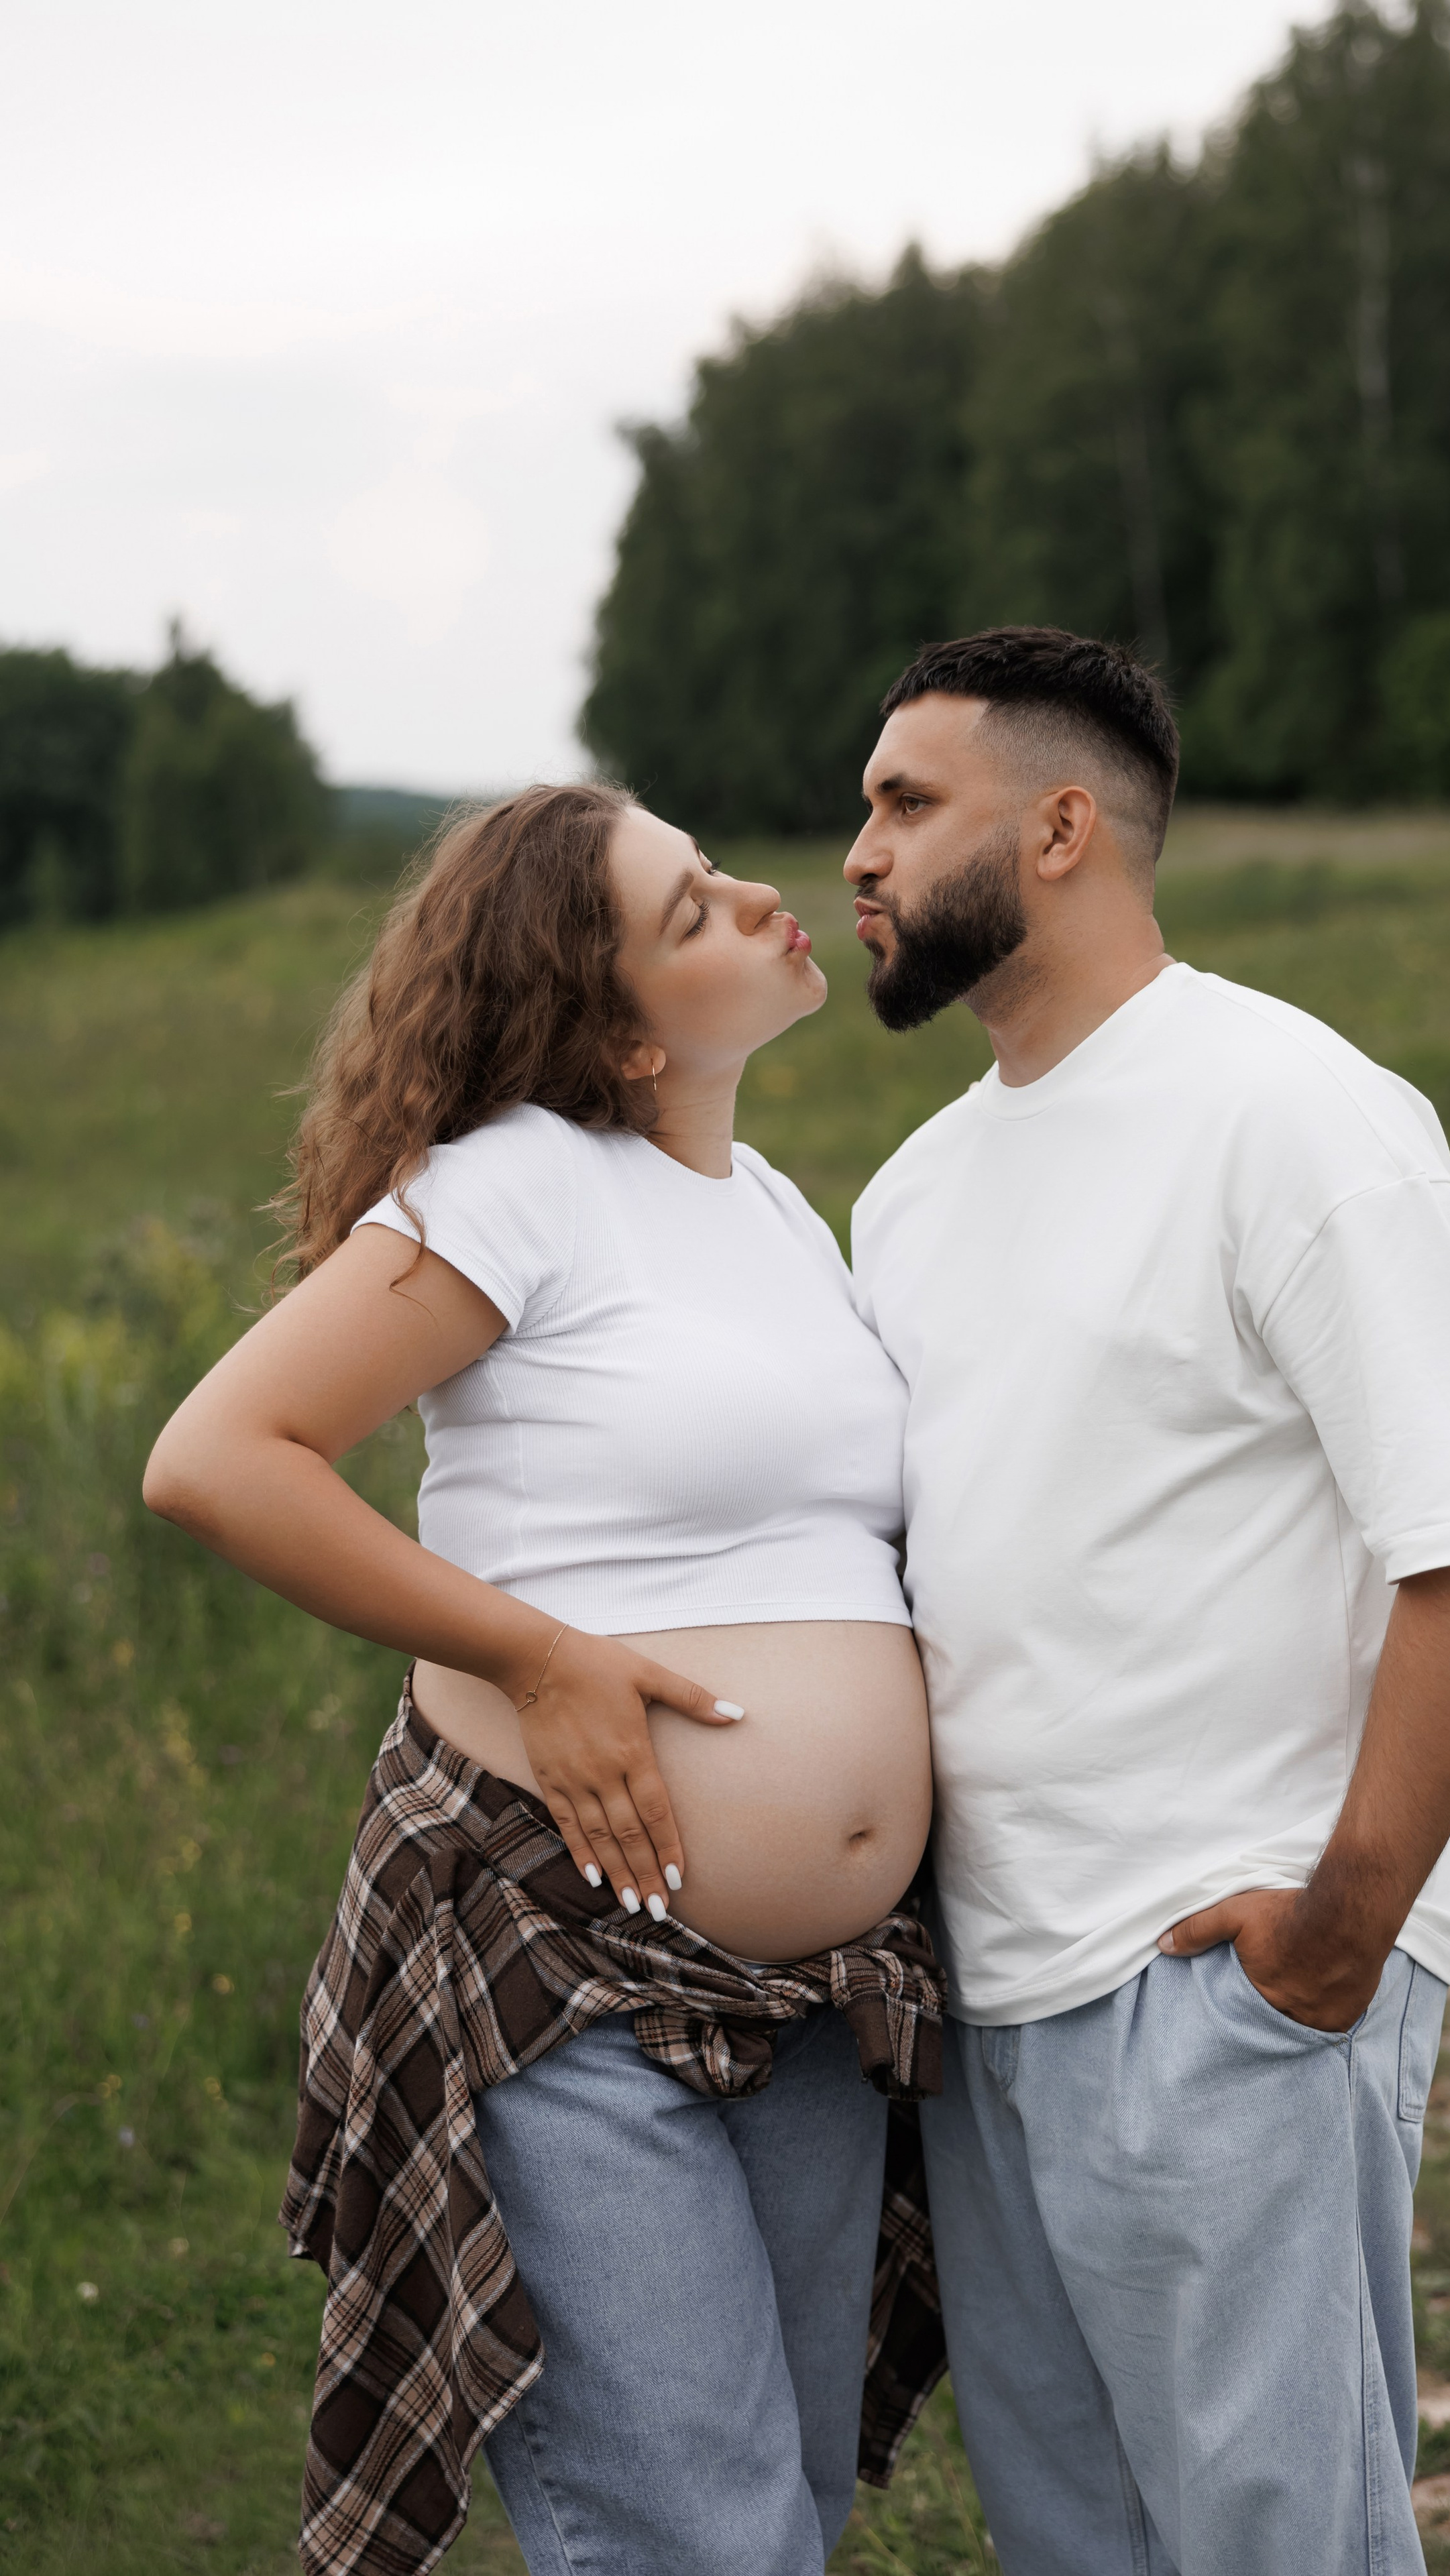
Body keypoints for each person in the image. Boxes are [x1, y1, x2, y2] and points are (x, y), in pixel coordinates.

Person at [142, 783, 944, 2576]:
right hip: (561, 1955)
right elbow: (223, 1452)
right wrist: (532, 1649)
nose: (760, 896)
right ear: (615, 1031)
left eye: (719, 871)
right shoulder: (516, 1183)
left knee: (790, 2500)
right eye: (691, 912)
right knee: (697, 2538)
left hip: (815, 1984)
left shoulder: (784, 1214)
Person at [844, 627, 1450, 2576]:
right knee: (1083, 2545)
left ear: (1063, 825)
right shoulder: (905, 1193)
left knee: (1283, 2546)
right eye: (864, 808)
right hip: (994, 1999)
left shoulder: (1293, 1112)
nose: (861, 851)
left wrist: (1339, 1929)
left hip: (1220, 1969)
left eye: (907, 803)